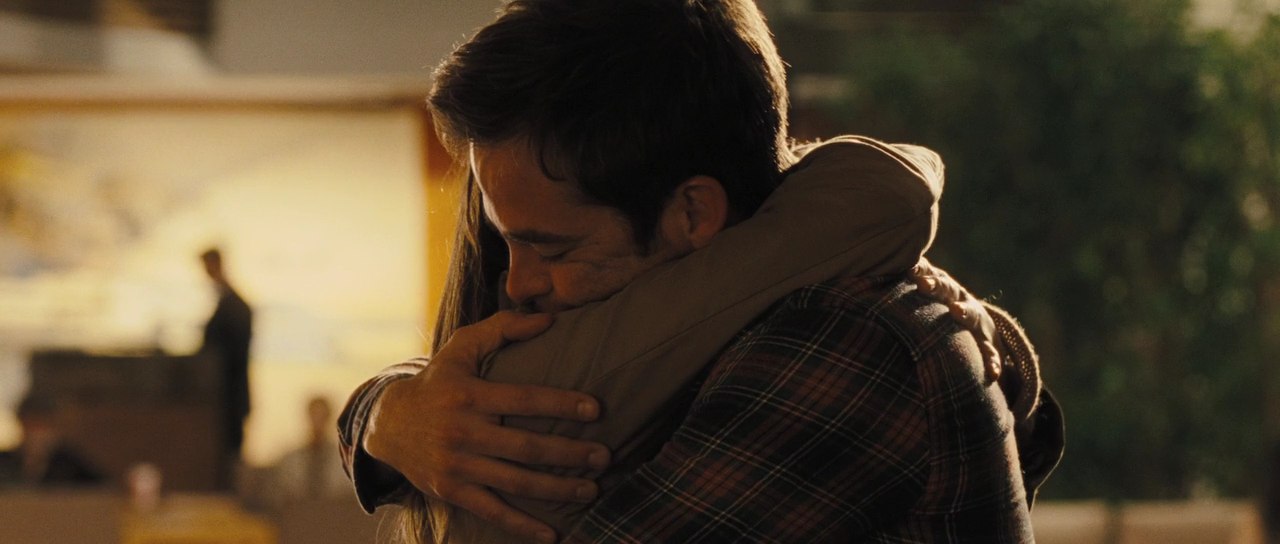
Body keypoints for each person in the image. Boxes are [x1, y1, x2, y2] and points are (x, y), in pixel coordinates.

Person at [339, 1, 1062, 542]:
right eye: (508, 247)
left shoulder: (847, 341)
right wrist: (387, 414)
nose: (517, 284)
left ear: (692, 213)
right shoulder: (737, 308)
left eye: (553, 251)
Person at [198, 247, 254, 490]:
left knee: (229, 459)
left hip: (228, 398)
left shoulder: (234, 306)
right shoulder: (229, 303)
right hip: (224, 398)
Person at [262, 396, 351, 510]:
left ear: (328, 418)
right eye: (315, 415)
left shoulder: (344, 461)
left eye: (322, 417)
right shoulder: (290, 461)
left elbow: (345, 496)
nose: (317, 422)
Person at [0, 395, 102, 487]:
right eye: (30, 425)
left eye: (42, 426)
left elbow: (101, 488)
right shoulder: (5, 461)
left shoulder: (71, 465)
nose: (36, 433)